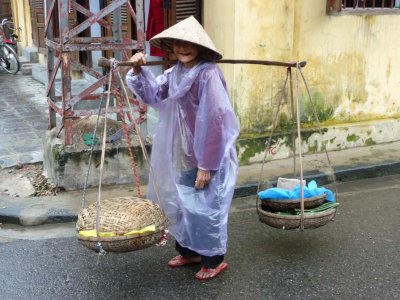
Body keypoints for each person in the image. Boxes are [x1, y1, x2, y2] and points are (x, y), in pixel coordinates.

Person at [126, 16, 240, 280]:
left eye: (188, 43)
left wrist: (207, 165)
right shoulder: (176, 72)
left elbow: (216, 119)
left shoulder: (208, 73)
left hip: (210, 156)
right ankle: (189, 252)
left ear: (200, 47)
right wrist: (137, 71)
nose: (182, 48)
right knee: (184, 204)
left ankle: (213, 260)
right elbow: (154, 95)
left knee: (207, 207)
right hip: (186, 153)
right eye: (177, 43)